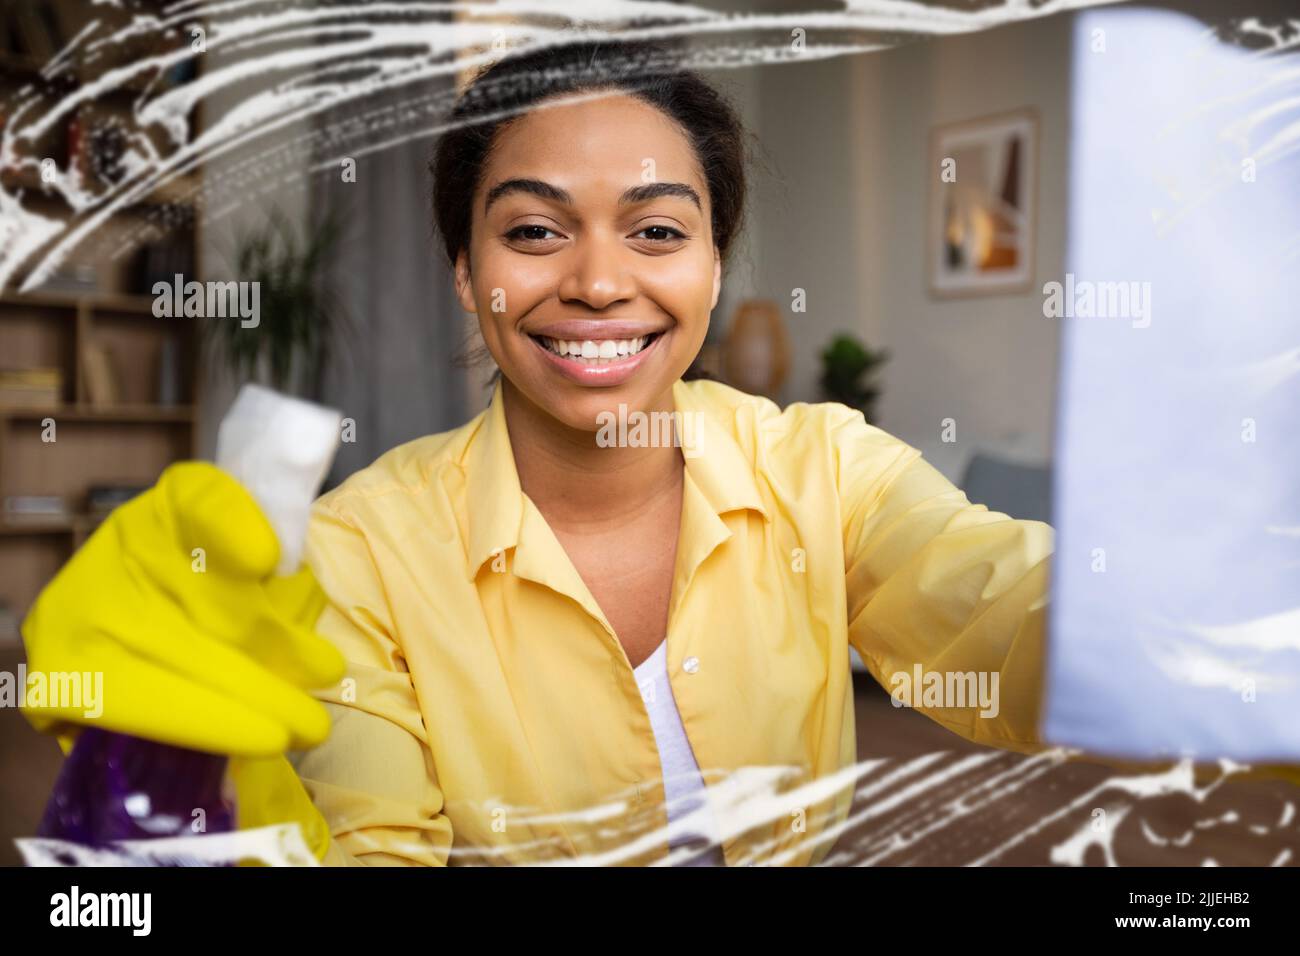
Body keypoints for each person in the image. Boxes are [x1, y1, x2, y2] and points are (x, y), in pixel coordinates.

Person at [23, 38, 1058, 867]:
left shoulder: (821, 465)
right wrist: (187, 805)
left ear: (712, 268)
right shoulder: (361, 551)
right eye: (533, 231)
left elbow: (997, 612)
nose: (601, 282)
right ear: (467, 275)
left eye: (656, 231)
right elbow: (374, 843)